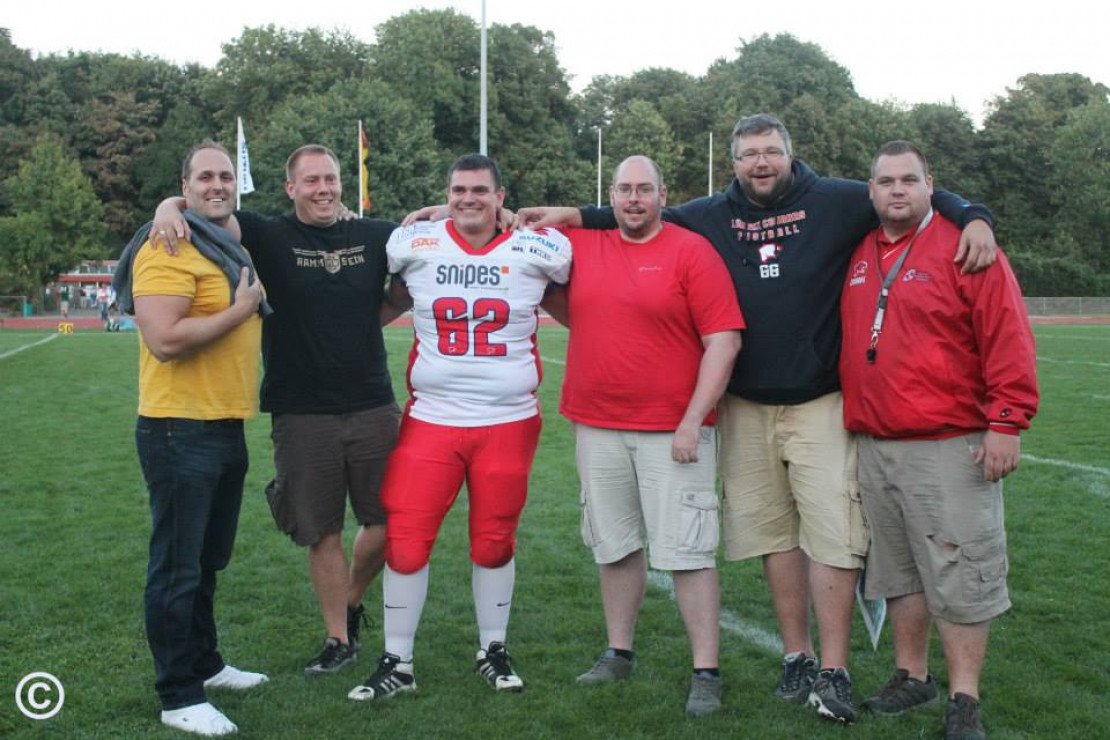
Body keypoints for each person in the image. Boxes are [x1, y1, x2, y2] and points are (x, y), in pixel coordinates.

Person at [518, 113, 999, 724]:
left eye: (771, 152)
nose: (760, 163)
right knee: (772, 536)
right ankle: (796, 656)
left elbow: (909, 192)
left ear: (790, 156)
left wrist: (974, 214)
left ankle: (834, 667)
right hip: (745, 405)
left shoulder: (838, 200)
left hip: (821, 400)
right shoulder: (710, 213)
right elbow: (631, 214)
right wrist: (569, 215)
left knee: (833, 537)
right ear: (734, 162)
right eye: (748, 154)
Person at [152, 145, 401, 677]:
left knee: (389, 524)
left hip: (373, 403)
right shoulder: (268, 235)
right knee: (321, 530)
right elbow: (205, 205)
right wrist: (167, 207)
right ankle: (338, 638)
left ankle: (353, 600)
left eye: (330, 179)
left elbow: (429, 234)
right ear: (291, 188)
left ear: (341, 184)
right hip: (300, 410)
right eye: (310, 181)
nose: (323, 189)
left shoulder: (374, 234)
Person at [346, 154, 571, 702]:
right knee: (406, 539)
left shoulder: (540, 246)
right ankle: (397, 659)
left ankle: (492, 647)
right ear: (445, 194)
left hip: (508, 420)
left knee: (494, 540)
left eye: (479, 190)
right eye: (457, 190)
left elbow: (580, 285)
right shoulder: (413, 242)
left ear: (500, 195)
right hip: (433, 419)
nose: (467, 198)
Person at [840, 141, 1037, 740]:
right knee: (899, 571)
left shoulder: (966, 244)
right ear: (870, 190)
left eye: (908, 180)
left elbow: (1005, 333)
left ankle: (964, 698)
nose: (896, 190)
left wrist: (1005, 422)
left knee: (960, 569)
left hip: (950, 441)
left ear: (931, 185)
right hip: (876, 441)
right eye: (884, 181)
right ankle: (912, 674)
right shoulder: (858, 247)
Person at [550, 156, 743, 717]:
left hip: (672, 433)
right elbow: (499, 221)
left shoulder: (690, 250)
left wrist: (692, 419)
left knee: (686, 552)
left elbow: (723, 342)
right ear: (610, 195)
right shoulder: (585, 245)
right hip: (599, 425)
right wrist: (441, 209)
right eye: (623, 189)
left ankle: (705, 670)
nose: (633, 199)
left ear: (663, 194)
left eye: (644, 189)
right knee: (613, 545)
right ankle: (618, 651)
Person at [121, 142, 267, 736]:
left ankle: (204, 665)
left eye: (225, 176)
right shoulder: (167, 246)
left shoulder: (224, 239)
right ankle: (178, 694)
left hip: (224, 423)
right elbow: (165, 340)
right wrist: (240, 311)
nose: (218, 184)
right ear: (185, 185)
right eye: (204, 177)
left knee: (207, 563)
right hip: (179, 428)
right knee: (177, 569)